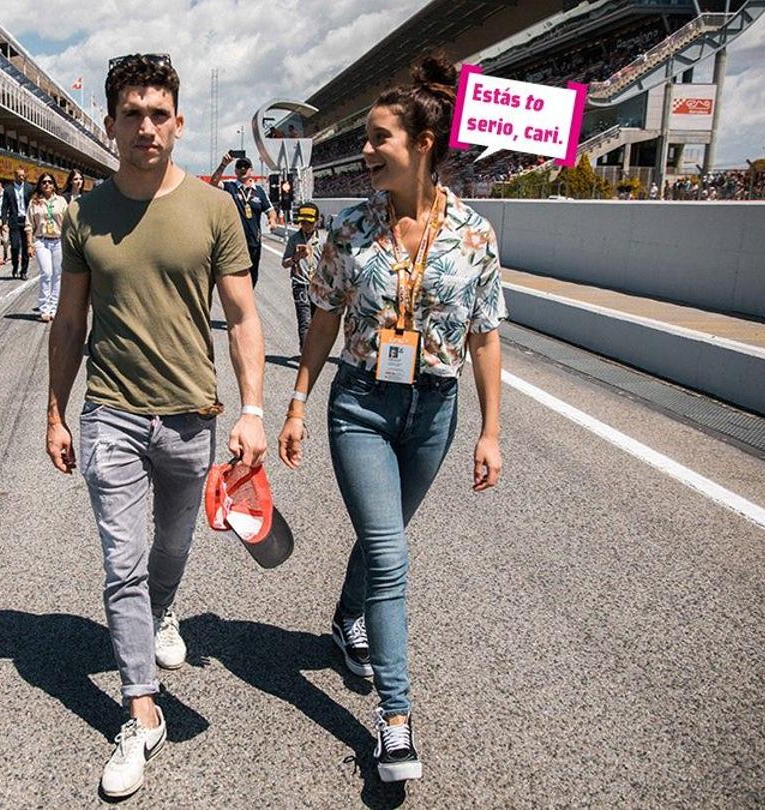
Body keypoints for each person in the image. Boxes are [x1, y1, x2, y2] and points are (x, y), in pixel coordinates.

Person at [277, 57, 505, 783]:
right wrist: (297, 402)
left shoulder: (475, 234)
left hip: (434, 409)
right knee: (391, 556)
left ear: (423, 142)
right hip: (362, 408)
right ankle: (396, 720)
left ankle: (347, 621)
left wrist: (490, 430)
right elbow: (322, 320)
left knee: (385, 543)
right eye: (366, 139)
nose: (366, 152)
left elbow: (485, 334)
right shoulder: (349, 230)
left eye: (379, 139)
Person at [47, 53, 265, 800]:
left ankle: (165, 610)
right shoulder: (83, 214)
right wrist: (55, 410)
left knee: (170, 548)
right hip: (110, 414)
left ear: (177, 121)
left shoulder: (213, 208)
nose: (146, 126)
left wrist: (255, 410)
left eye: (158, 113)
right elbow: (70, 319)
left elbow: (241, 316)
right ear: (110, 124)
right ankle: (140, 712)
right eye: (132, 114)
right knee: (123, 562)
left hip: (190, 419)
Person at [210, 155, 274, 286]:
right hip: (234, 242)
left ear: (251, 170)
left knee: (252, 277)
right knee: (234, 277)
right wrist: (223, 165)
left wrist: (272, 220)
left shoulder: (259, 191)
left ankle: (246, 302)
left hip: (253, 242)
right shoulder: (230, 186)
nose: (242, 169)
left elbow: (270, 210)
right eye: (239, 166)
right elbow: (213, 183)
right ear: (235, 171)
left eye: (246, 166)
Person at [280, 201, 323, 351]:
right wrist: (296, 257)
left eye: (309, 222)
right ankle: (305, 353)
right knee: (305, 321)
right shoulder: (294, 239)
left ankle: (315, 353)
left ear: (317, 221)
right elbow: (284, 263)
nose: (305, 225)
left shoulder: (323, 241)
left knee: (318, 323)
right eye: (302, 222)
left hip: (319, 286)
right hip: (301, 285)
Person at [26, 171, 66, 322]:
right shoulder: (34, 202)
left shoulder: (61, 201)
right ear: (40, 185)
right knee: (46, 273)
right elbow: (29, 224)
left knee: (57, 275)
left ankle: (54, 308)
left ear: (54, 185)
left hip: (58, 240)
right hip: (41, 240)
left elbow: (67, 222)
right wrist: (30, 244)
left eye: (50, 182)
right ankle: (44, 308)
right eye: (44, 182)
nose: (47, 185)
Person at [1, 167, 32, 279]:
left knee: (25, 247)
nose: (21, 178)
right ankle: (15, 266)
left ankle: (24, 271)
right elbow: (4, 207)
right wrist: (4, 221)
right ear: (14, 176)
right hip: (14, 221)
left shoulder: (29, 188)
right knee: (15, 246)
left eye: (23, 175)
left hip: (26, 220)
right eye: (19, 176)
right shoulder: (8, 190)